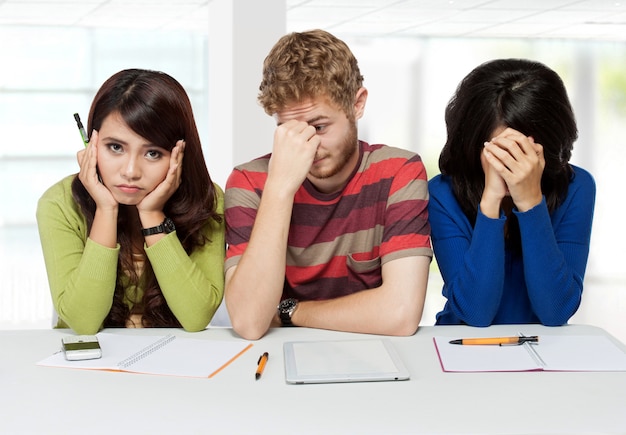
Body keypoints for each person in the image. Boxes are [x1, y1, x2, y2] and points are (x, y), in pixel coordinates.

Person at [224, 29, 432, 340]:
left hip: (370, 356)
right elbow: (250, 322)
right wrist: (280, 187)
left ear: (357, 104)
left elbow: (400, 314)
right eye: (288, 129)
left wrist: (290, 311)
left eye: (319, 126)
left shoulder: (399, 172)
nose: (307, 145)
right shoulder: (250, 182)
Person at [36, 69, 225, 334]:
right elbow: (84, 322)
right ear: (91, 144)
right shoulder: (59, 203)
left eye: (152, 153)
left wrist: (152, 214)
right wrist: (105, 208)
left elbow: (196, 317)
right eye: (115, 147)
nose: (131, 171)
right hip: (91, 365)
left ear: (178, 155)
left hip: (175, 359)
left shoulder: (205, 199)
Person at [428, 58, 596, 327]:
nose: (509, 164)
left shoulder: (577, 186)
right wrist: (491, 200)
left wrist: (530, 202)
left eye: (520, 152)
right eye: (499, 152)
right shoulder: (442, 193)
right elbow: (475, 313)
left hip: (543, 351)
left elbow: (556, 311)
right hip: (462, 348)